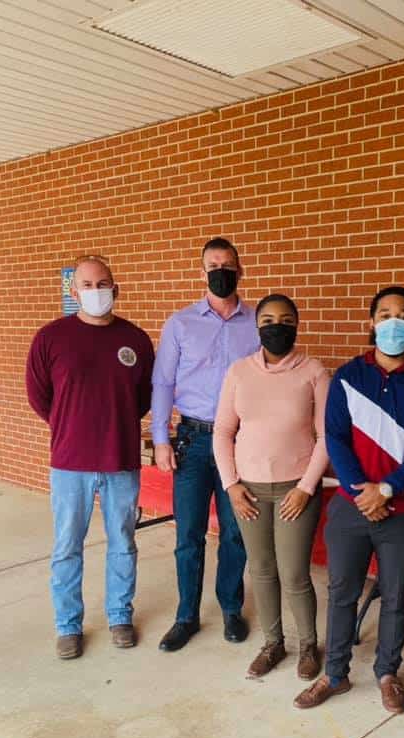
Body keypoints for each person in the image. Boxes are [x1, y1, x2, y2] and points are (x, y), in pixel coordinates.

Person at [294, 286, 404, 714]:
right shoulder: (347, 377)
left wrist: (385, 490)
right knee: (342, 592)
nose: (393, 322)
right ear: (371, 322)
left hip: (402, 508)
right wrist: (363, 491)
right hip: (350, 505)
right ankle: (335, 673)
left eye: (403, 315)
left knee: (396, 595)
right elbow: (336, 440)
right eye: (385, 314)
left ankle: (387, 672)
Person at [26, 255, 154, 659]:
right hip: (69, 464)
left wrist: (110, 424)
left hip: (120, 460)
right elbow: (39, 396)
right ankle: (68, 625)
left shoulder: (135, 339)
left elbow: (143, 398)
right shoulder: (50, 338)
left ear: (116, 288)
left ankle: (119, 617)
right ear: (73, 290)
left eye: (103, 284)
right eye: (87, 284)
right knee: (67, 546)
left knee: (123, 543)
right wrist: (72, 425)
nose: (96, 291)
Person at [213, 294, 330, 680]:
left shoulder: (313, 371)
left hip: (296, 489)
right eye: (266, 319)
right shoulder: (239, 372)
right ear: (257, 325)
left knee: (295, 573)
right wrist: (231, 485)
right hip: (249, 490)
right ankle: (273, 643)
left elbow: (327, 436)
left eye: (284, 319)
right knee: (261, 570)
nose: (275, 326)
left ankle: (308, 645)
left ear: (296, 324)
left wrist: (306, 488)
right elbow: (223, 432)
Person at [151, 238, 259, 651]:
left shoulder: (256, 322)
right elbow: (162, 382)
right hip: (193, 440)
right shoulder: (179, 324)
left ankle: (231, 608)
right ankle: (186, 616)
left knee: (235, 531)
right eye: (213, 265)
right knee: (189, 533)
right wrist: (161, 439)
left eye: (228, 264)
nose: (221, 271)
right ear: (201, 273)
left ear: (240, 269)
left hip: (241, 442)